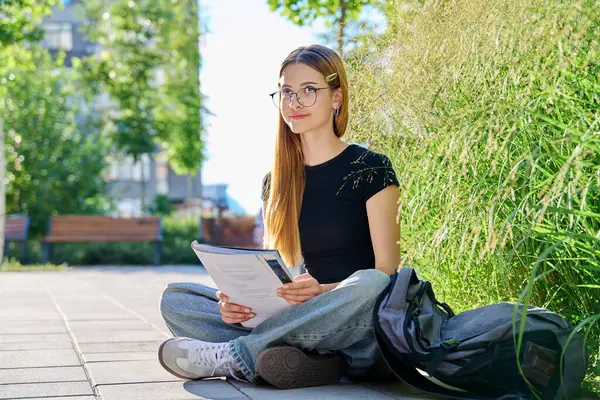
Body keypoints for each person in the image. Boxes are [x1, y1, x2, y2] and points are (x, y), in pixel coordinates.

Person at [158, 44, 401, 390]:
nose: (294, 102)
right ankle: (303, 361)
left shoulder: (371, 167)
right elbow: (281, 270)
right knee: (176, 300)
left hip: (356, 322)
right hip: (298, 321)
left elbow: (387, 270)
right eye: (287, 92)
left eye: (309, 91)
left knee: (372, 285)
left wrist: (322, 293)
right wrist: (240, 302)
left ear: (336, 98)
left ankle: (236, 355)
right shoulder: (276, 181)